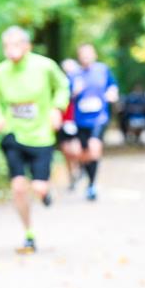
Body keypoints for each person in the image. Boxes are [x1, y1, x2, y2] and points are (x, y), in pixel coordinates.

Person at [0, 27, 70, 254]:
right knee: (18, 187)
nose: (10, 50)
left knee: (39, 187)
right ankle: (28, 234)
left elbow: (63, 86)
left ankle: (44, 192)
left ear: (27, 46)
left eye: (15, 45)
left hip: (41, 135)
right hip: (13, 134)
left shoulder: (44, 66)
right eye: (6, 46)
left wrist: (57, 108)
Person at [69, 44, 119, 201]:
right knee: (83, 153)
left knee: (94, 147)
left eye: (88, 54)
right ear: (79, 57)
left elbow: (113, 86)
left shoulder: (103, 70)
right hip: (81, 119)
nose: (86, 57)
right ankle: (88, 177)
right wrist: (73, 91)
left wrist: (112, 93)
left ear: (94, 55)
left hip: (99, 117)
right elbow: (65, 95)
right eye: (83, 55)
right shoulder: (73, 74)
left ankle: (92, 184)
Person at [57, 58, 82, 191]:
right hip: (63, 121)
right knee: (66, 152)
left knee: (76, 151)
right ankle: (71, 177)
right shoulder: (62, 83)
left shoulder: (82, 82)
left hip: (77, 121)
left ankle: (78, 169)